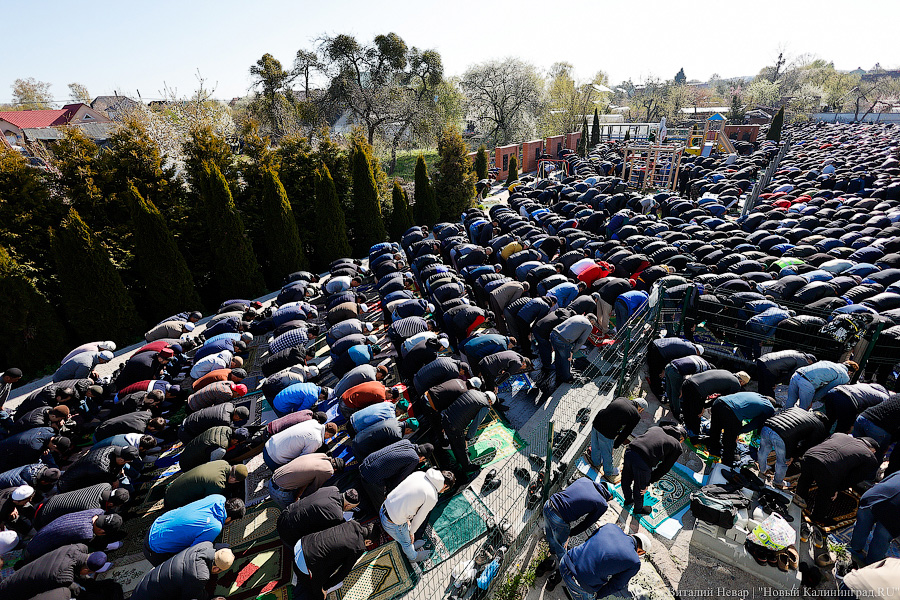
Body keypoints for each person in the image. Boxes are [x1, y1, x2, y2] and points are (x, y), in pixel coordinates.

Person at [537, 477, 612, 584]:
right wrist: (570, 534)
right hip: (559, 518)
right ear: (610, 496)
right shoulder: (603, 504)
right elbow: (587, 523)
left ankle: (550, 558)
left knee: (550, 534)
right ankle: (563, 571)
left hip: (549, 504)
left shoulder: (585, 480)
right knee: (562, 547)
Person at [793, 434, 880, 522]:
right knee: (826, 494)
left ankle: (798, 500)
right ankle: (817, 518)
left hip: (809, 456)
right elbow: (854, 478)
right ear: (872, 449)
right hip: (827, 468)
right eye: (874, 452)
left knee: (805, 479)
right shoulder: (870, 457)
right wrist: (837, 488)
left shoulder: (839, 435)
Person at [554, 524, 652, 599]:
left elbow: (589, 539)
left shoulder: (611, 526)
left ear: (632, 535)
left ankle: (553, 580)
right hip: (579, 583)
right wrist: (596, 596)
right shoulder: (635, 562)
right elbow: (616, 585)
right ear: (641, 551)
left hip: (565, 561)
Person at [144, 494, 245, 566]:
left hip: (158, 524)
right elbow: (193, 553)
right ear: (229, 519)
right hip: (155, 549)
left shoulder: (217, 498)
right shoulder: (215, 527)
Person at [293, 520, 379, 600]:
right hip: (305, 560)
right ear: (368, 542)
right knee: (317, 594)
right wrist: (325, 588)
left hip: (302, 542)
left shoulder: (352, 523)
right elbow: (343, 572)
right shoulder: (358, 548)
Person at [380, 468, 454, 562]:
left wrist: (407, 522)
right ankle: (413, 557)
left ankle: (411, 545)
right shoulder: (432, 496)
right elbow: (420, 518)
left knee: (407, 529)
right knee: (407, 542)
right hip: (391, 522)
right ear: (445, 486)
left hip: (384, 507)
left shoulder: (420, 474)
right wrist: (411, 533)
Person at [131, 542, 233, 600]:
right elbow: (191, 596)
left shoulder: (205, 545)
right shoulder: (201, 575)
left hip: (144, 585)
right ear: (215, 568)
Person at [0, 543, 109, 598]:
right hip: (12, 595)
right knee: (63, 593)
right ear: (86, 570)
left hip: (13, 580)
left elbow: (78, 572)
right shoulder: (63, 576)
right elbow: (76, 591)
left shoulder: (77, 548)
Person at [757, 408, 830, 490]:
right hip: (782, 436)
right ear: (823, 422)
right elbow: (807, 445)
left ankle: (762, 470)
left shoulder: (797, 409)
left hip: (767, 426)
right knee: (783, 462)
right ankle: (777, 482)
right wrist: (793, 456)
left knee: (763, 451)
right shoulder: (819, 425)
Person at [621, 424, 686, 515]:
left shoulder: (656, 428)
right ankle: (638, 510)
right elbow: (664, 468)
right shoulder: (677, 446)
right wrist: (648, 481)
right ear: (681, 439)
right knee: (640, 488)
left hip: (630, 450)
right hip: (643, 460)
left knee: (626, 479)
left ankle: (628, 500)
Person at [23, 509, 123, 562]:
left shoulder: (96, 512)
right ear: (102, 530)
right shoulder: (86, 533)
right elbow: (95, 544)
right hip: (35, 552)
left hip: (37, 537)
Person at [707, 392, 776, 467]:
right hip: (730, 411)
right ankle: (727, 463)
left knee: (715, 429)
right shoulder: (770, 408)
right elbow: (754, 424)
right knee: (730, 439)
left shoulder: (757, 395)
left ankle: (713, 448)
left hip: (718, 402)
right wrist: (739, 432)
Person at [589, 396, 648, 484]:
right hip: (607, 431)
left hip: (597, 422)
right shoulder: (635, 415)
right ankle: (608, 471)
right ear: (640, 408)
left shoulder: (622, 398)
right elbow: (626, 432)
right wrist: (615, 445)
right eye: (642, 410)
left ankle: (596, 461)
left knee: (595, 445)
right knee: (607, 453)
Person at [277, 487, 359, 548]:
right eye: (351, 508)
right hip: (289, 534)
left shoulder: (332, 489)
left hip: (284, 515)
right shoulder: (336, 515)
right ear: (348, 505)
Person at [359, 440, 432, 507]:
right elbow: (400, 478)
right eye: (423, 460)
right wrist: (389, 493)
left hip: (365, 463)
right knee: (382, 506)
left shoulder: (406, 442)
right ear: (422, 457)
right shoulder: (414, 459)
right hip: (371, 475)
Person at [850, 471, 900, 565]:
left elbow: (883, 482)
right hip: (892, 514)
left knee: (862, 526)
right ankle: (870, 565)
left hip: (872, 497)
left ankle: (854, 549)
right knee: (881, 540)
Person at [441, 389, 495, 476]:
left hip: (446, 417)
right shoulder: (486, 406)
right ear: (490, 402)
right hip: (454, 426)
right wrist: (468, 437)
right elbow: (475, 424)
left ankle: (459, 458)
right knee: (461, 446)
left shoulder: (472, 391)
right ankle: (467, 467)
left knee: (454, 440)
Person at [680, 369, 748, 437]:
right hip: (696, 390)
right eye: (743, 384)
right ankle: (694, 435)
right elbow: (720, 399)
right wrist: (704, 406)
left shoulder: (727, 372)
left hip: (687, 382)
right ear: (741, 381)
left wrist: (703, 405)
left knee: (687, 408)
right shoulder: (736, 384)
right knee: (697, 414)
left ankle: (686, 428)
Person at [34, 483, 130, 529]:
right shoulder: (93, 509)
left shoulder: (104, 486)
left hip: (49, 501)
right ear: (110, 504)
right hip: (43, 519)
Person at [267, 454, 346, 509]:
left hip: (273, 480)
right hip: (279, 492)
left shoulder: (321, 456)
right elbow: (312, 489)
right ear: (335, 470)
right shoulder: (328, 470)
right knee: (292, 511)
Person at [262, 414, 336, 470]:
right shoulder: (317, 440)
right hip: (274, 459)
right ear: (327, 434)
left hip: (268, 444)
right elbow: (302, 459)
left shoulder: (312, 422)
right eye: (329, 437)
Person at [164, 461, 248, 510]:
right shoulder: (218, 484)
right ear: (233, 479)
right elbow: (207, 504)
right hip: (173, 503)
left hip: (170, 489)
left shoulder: (222, 463)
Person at [787, 360, 858, 410]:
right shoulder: (844, 376)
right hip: (807, 382)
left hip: (797, 374)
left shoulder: (829, 362)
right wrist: (813, 400)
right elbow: (826, 389)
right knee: (803, 409)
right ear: (850, 372)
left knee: (790, 401)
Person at [550, 314, 597, 385]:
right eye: (593, 323)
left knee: (558, 356)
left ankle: (559, 374)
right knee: (567, 359)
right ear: (591, 321)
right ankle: (567, 378)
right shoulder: (589, 325)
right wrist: (573, 351)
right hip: (562, 340)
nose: (592, 325)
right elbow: (581, 340)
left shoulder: (578, 316)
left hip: (554, 334)